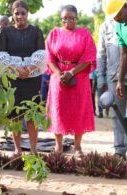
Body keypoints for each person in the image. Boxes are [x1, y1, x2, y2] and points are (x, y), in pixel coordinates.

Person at [46, 5, 96, 156]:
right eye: (64, 18)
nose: (67, 21)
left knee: (78, 110)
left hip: (79, 77)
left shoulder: (84, 34)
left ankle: (78, 146)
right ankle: (58, 146)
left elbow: (89, 58)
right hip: (58, 78)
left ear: (76, 18)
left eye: (71, 18)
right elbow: (49, 57)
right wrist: (60, 73)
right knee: (57, 110)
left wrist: (72, 72)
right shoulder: (54, 34)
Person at [0, 0, 45, 155]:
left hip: (32, 78)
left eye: (23, 13)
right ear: (12, 14)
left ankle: (33, 149)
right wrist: (17, 70)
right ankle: (17, 149)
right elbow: (2, 56)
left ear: (27, 14)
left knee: (32, 114)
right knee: (14, 115)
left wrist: (29, 69)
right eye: (16, 13)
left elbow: (41, 55)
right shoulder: (6, 32)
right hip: (13, 77)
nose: (20, 16)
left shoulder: (36, 31)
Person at [97, 18, 127, 160]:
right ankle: (119, 151)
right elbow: (101, 53)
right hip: (113, 76)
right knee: (117, 114)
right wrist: (101, 77)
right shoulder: (105, 26)